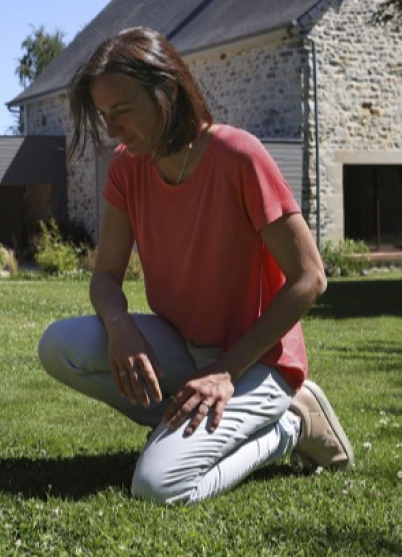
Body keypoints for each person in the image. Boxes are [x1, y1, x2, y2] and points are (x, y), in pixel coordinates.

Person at [37, 27, 353, 505]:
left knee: (159, 485)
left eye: (122, 110)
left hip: (258, 362)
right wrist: (120, 328)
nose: (112, 129)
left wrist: (226, 370)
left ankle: (289, 423)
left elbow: (310, 277)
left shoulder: (238, 155)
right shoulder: (127, 166)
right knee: (59, 346)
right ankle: (187, 423)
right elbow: (105, 277)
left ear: (166, 92)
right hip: (182, 346)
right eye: (104, 115)